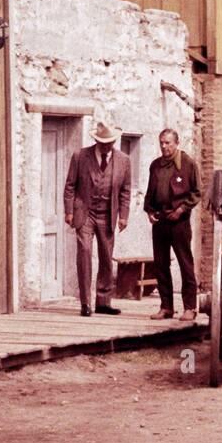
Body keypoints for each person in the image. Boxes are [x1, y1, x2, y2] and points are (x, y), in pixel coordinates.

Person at [63, 120, 131, 316]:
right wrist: (69, 211)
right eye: (102, 142)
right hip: (85, 213)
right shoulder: (80, 156)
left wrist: (123, 216)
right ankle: (85, 303)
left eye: (109, 142)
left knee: (106, 258)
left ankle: (103, 301)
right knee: (84, 253)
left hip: (107, 214)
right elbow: (70, 186)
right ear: (96, 141)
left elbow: (125, 191)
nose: (105, 146)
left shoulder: (124, 160)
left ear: (114, 142)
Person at [144, 128, 200, 320]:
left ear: (177, 143)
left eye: (167, 142)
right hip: (160, 221)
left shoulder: (188, 164)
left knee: (185, 264)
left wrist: (181, 210)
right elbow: (150, 191)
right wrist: (150, 212)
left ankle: (190, 307)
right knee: (160, 264)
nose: (164, 146)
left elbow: (196, 192)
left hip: (179, 222)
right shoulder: (155, 165)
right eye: (161, 142)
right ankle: (166, 306)